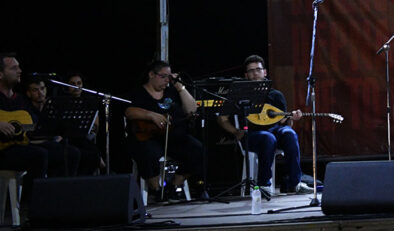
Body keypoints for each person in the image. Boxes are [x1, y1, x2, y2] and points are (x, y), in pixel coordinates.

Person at [217, 55, 312, 195]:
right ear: (246, 75)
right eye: (251, 71)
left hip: (275, 131)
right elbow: (222, 119)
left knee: (289, 134)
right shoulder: (239, 94)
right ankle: (264, 185)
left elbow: (284, 122)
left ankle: (295, 183)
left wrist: (291, 118)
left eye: (258, 69)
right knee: (268, 138)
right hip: (251, 135)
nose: (255, 73)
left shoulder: (276, 95)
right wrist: (236, 131)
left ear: (265, 72)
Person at [124, 60, 204, 201]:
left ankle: (173, 186)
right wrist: (150, 115)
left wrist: (180, 88)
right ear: (151, 75)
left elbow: (191, 110)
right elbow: (129, 112)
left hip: (172, 136)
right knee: (147, 153)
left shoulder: (172, 92)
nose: (167, 80)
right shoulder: (139, 92)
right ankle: (156, 189)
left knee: (196, 149)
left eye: (169, 77)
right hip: (148, 137)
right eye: (163, 76)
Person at [0, 54, 49, 216]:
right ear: (1, 74)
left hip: (19, 146)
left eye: (19, 67)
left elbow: (32, 126)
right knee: (39, 155)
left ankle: (60, 204)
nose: (20, 71)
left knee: (68, 152)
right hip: (3, 152)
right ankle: (31, 209)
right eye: (14, 68)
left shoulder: (20, 100)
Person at [24, 75, 82, 177]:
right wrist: (38, 127)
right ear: (28, 93)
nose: (40, 93)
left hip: (51, 140)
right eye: (35, 90)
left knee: (75, 151)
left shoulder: (51, 106)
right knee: (66, 154)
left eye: (42, 89)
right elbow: (24, 127)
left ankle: (68, 183)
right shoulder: (26, 109)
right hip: (35, 143)